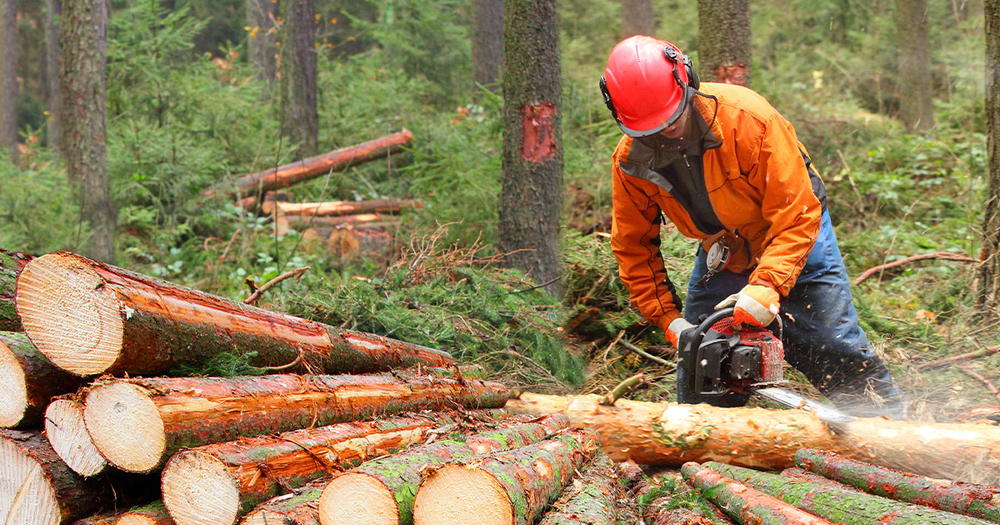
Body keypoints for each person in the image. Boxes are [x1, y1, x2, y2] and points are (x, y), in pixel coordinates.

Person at [600, 35, 906, 417]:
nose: (667, 133)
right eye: (651, 129)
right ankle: (705, 460)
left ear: (687, 80)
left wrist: (766, 288)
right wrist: (668, 319)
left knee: (834, 346)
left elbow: (797, 212)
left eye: (673, 118)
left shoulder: (748, 120)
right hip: (725, 250)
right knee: (702, 361)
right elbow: (633, 246)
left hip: (794, 234)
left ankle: (894, 429)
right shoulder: (631, 162)